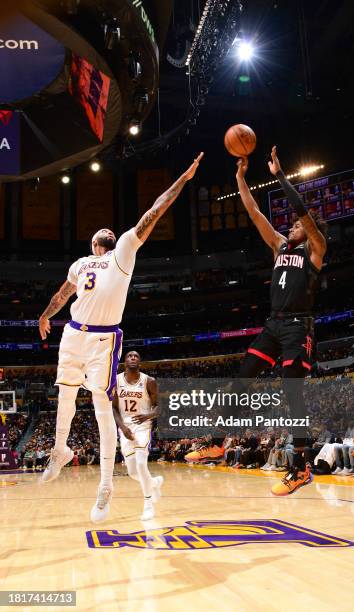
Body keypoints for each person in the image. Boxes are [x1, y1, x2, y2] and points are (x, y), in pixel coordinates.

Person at [38, 153, 204, 522]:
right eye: (103, 236)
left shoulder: (123, 253)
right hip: (72, 333)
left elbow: (154, 212)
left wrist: (182, 179)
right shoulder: (80, 264)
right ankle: (59, 450)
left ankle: (105, 489)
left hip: (103, 339)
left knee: (100, 409)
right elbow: (63, 294)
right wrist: (45, 315)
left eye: (110, 235)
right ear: (93, 244)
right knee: (65, 392)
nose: (108, 235)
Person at [235, 145, 327, 495]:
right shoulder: (279, 247)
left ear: (310, 229)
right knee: (242, 378)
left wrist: (279, 176)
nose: (290, 226)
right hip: (273, 324)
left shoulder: (315, 248)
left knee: (293, 391)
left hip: (298, 325)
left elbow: (302, 212)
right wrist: (241, 178)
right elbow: (254, 212)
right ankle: (215, 441)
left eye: (296, 225)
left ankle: (301, 467)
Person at [112, 351, 162, 521]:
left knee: (141, 465)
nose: (133, 358)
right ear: (124, 362)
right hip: (125, 428)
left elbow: (159, 408)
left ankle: (148, 505)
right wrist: (122, 427)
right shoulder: (116, 381)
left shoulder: (149, 381)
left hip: (143, 426)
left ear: (139, 362)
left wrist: (147, 416)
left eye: (136, 356)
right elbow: (113, 408)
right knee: (133, 473)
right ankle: (153, 483)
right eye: (129, 356)